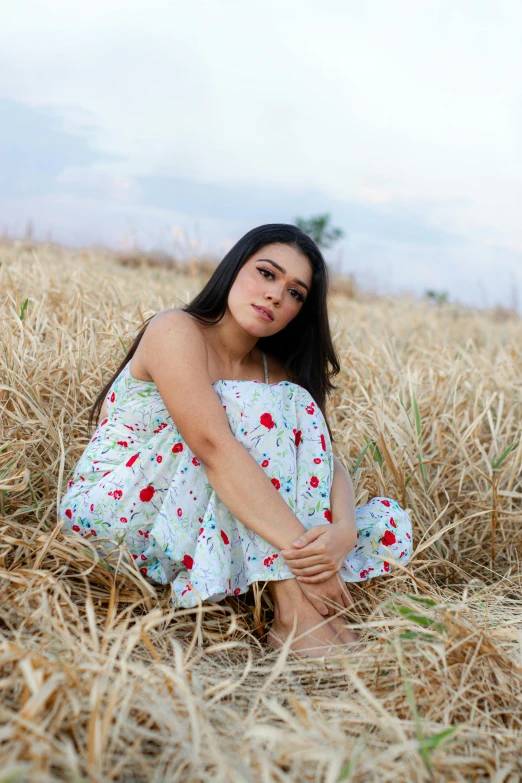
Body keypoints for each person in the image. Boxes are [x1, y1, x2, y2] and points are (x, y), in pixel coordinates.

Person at [59, 223, 413, 658]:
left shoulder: (275, 374)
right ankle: (297, 614)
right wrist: (313, 567)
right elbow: (214, 449)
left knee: (297, 414)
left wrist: (343, 528)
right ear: (234, 267)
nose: (277, 295)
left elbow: (324, 459)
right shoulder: (175, 330)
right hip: (118, 514)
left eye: (296, 293)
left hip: (199, 518)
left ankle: (300, 604)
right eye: (267, 273)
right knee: (248, 410)